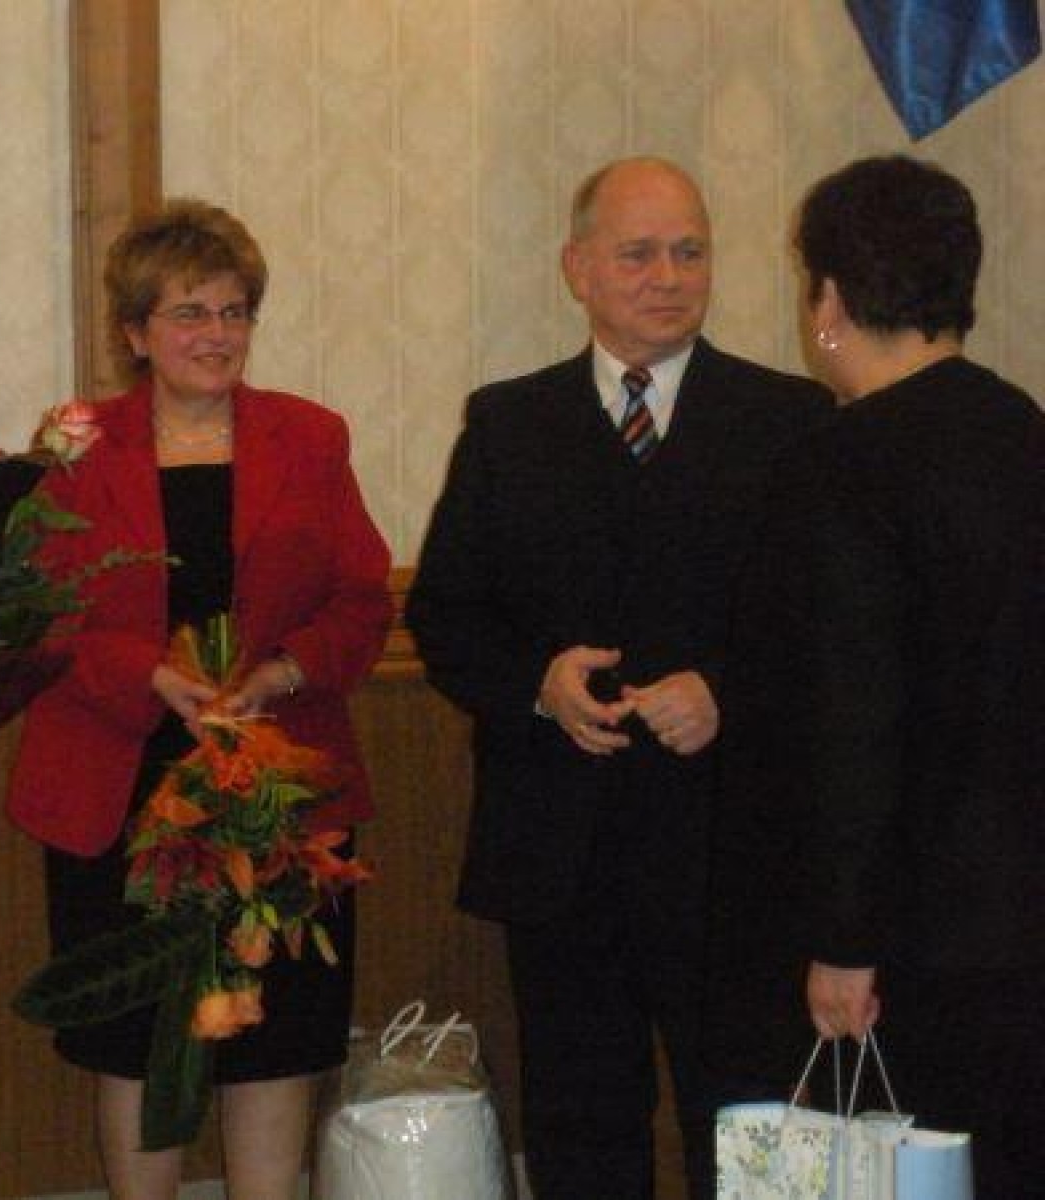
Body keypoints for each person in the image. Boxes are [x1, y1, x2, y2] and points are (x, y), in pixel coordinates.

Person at [405, 157, 831, 1200]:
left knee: (752, 1123)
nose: (667, 277)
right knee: (579, 1124)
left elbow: (830, 626)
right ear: (577, 268)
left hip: (734, 851)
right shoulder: (508, 423)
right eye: (637, 253)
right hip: (563, 849)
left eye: (689, 251)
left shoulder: (791, 419)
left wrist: (724, 689)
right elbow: (444, 616)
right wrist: (537, 684)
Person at [5, 198, 392, 1200]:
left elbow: (361, 600)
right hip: (120, 783)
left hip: (279, 781)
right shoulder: (76, 448)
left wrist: (282, 672)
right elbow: (37, 616)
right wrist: (146, 672)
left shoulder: (310, 437)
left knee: (277, 1035)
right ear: (135, 332)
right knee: (137, 1039)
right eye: (187, 312)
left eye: (232, 311)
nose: (215, 334)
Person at [706, 155, 1045, 1195]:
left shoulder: (836, 468)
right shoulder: (1025, 434)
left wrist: (842, 942)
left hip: (903, 937)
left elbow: (850, 718)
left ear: (829, 300)